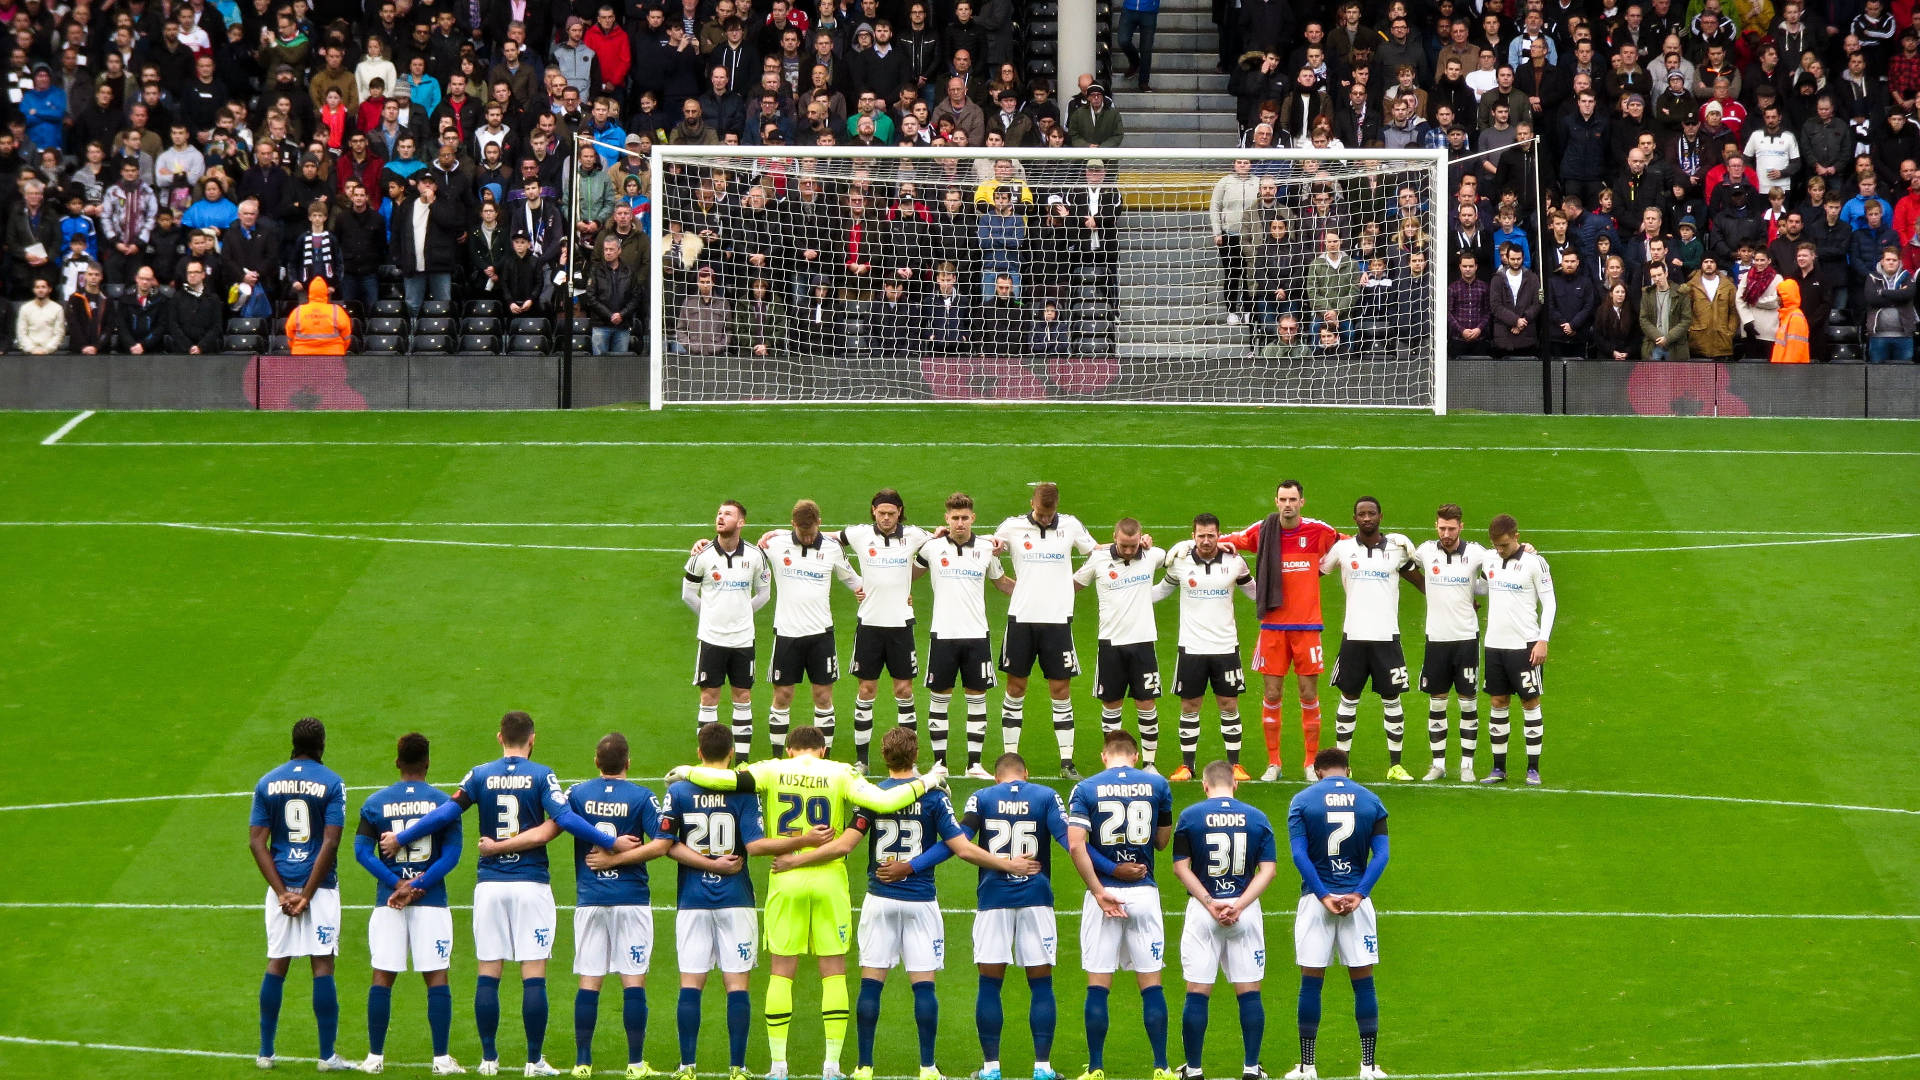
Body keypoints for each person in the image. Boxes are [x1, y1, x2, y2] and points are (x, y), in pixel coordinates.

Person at [665, 728, 951, 1080]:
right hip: (829, 878)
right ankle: (832, 1067)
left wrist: (687, 771)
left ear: (788, 750)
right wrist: (928, 781)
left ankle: (778, 1067)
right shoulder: (840, 772)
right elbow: (884, 802)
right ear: (824, 749)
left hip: (785, 876)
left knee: (781, 973)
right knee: (833, 973)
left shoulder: (770, 769)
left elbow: (725, 780)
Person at [381, 711, 623, 1076]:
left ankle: (489, 1060)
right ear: (532, 739)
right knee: (534, 974)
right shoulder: (543, 775)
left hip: (490, 885)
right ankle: (533, 1060)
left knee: (488, 972)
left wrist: (402, 836)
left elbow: (446, 813)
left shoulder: (479, 774)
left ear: (499, 738)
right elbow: (567, 819)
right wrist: (610, 841)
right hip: (530, 884)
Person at [479, 733, 672, 1079]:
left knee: (589, 981)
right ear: (629, 762)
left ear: (596, 762)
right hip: (631, 900)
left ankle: (582, 1063)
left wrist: (497, 846)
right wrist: (619, 857)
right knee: (633, 982)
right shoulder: (643, 798)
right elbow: (662, 844)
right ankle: (635, 1064)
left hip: (589, 901)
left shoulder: (577, 794)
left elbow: (549, 829)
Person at [847, 728, 1034, 1080]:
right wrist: (1008, 864)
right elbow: (959, 846)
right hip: (919, 900)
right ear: (915, 753)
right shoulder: (933, 796)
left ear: (884, 756)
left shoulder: (871, 795)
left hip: (879, 898)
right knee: (924, 986)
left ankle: (863, 1066)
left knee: (871, 983)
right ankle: (928, 1067)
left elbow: (849, 842)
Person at [639, 723, 810, 1080]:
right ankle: (738, 1067)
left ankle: (687, 1067)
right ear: (731, 753)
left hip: (693, 899)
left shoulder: (680, 790)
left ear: (699, 753)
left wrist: (705, 864)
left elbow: (666, 844)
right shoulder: (744, 792)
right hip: (736, 899)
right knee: (737, 985)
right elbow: (754, 844)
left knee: (691, 982)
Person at [351, 732, 465, 1076]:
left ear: (398, 761)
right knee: (437, 976)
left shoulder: (375, 803)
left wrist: (397, 884)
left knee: (382, 975)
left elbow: (360, 852)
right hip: (431, 902)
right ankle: (442, 1059)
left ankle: (374, 1057)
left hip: (388, 902)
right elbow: (453, 855)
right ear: (428, 762)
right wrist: (418, 885)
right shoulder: (445, 804)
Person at [1065, 728, 1175, 1080]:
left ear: (1104, 755)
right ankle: (1161, 1067)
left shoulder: (1085, 788)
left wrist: (1099, 890)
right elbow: (1161, 841)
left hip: (1104, 895)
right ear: (1136, 755)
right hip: (1144, 891)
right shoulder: (1157, 785)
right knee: (1152, 984)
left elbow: (1076, 846)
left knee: (1098, 983)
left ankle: (1096, 1067)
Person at [1219, 482, 1343, 783]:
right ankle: (1273, 763)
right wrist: (1217, 544)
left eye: (1293, 499)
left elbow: (1349, 545)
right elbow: (1222, 541)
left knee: (1308, 694)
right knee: (1272, 693)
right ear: (1276, 501)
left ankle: (1311, 763)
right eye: (1283, 499)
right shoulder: (1263, 530)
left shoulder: (1318, 531)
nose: (1288, 504)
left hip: (1307, 627)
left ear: (1302, 501)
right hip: (1273, 626)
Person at [248, 717, 349, 1072]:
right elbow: (331, 842)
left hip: (280, 888)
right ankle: (326, 1057)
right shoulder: (332, 783)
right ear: (322, 745)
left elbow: (257, 842)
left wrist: (281, 892)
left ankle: (265, 1052)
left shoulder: (267, 782)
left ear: (292, 743)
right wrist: (306, 894)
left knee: (278, 962)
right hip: (318, 891)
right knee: (322, 964)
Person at [1282, 747, 1390, 1080]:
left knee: (1310, 985)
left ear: (1317, 771)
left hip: (1316, 902)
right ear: (1349, 770)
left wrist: (1323, 894)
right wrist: (1358, 893)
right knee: (1364, 985)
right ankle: (1369, 1067)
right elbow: (1382, 855)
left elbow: (1299, 855)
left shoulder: (1302, 801)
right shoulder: (1371, 801)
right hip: (1357, 903)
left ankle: (1307, 1067)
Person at [1170, 761, 1279, 1080]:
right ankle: (1250, 1068)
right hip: (1245, 911)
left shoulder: (1190, 816)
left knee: (1197, 990)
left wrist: (1210, 903)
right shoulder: (1257, 817)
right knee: (1249, 990)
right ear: (1236, 784)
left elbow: (1180, 867)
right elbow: (1268, 870)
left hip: (1204, 911)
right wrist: (1240, 904)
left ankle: (1193, 1069)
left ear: (1204, 786)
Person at [993, 482, 1097, 777]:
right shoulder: (1012, 527)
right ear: (1032, 504)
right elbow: (987, 548)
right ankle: (1009, 758)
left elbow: (1098, 553)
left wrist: (1075, 582)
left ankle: (1066, 762)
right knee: (1015, 688)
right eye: (1041, 513)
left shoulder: (1071, 525)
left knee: (1061, 690)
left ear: (1057, 508)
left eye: (1050, 514)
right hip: (1021, 619)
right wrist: (1002, 579)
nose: (1046, 519)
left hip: (1057, 620)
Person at [1320, 497, 1424, 781]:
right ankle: (1343, 766)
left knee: (1392, 699)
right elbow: (1313, 572)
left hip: (1386, 637)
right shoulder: (1342, 549)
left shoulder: (1397, 550)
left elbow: (1421, 581)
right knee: (1348, 698)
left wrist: (1461, 601)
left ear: (1380, 515)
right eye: (1361, 514)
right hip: (1353, 636)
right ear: (1354, 518)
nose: (1367, 518)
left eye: (1371, 513)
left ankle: (1396, 765)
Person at [914, 492, 1016, 775]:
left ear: (973, 518)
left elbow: (1002, 583)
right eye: (955, 518)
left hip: (976, 635)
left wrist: (1035, 594)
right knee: (940, 698)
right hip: (943, 635)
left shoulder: (986, 548)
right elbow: (909, 574)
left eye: (965, 518)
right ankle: (939, 764)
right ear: (946, 518)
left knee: (977, 698)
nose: (960, 523)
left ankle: (974, 764)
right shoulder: (932, 548)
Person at [1151, 514, 1256, 781]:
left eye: (1211, 535)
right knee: (1190, 705)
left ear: (1219, 535)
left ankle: (1235, 766)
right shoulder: (1180, 563)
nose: (1206, 541)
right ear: (1193, 535)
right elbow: (1162, 591)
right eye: (1201, 536)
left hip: (1226, 647)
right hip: (1191, 647)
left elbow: (1256, 593)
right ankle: (1187, 766)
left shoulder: (1235, 562)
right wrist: (1129, 597)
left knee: (1229, 703)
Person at [837, 491, 933, 772]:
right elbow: (825, 538)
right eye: (881, 513)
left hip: (901, 625)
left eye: (892, 513)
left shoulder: (914, 535)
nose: (887, 518)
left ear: (900, 512)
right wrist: (778, 534)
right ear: (873, 511)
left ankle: (909, 761)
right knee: (866, 690)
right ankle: (862, 760)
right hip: (869, 625)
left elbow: (942, 543)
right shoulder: (859, 534)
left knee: (904, 691)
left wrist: (908, 580)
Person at [1073, 518, 1168, 769]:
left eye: (1134, 545)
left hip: (1143, 643)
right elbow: (1073, 585)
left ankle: (1149, 764)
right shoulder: (1099, 559)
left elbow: (1177, 557)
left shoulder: (1152, 555)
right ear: (1114, 536)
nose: (1129, 550)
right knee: (1111, 705)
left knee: (1146, 704)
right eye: (1124, 545)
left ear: (1141, 539)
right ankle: (1114, 763)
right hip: (1111, 644)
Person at [683, 501, 773, 759]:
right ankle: (708, 759)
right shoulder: (702, 556)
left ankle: (742, 760)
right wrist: (710, 616)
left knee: (743, 696)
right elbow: (688, 594)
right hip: (711, 639)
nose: (720, 517)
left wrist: (742, 614)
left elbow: (764, 594)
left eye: (728, 514)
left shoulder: (756, 556)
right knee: (709, 697)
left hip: (743, 639)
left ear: (741, 522)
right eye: (719, 513)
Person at [1477, 515, 1556, 785]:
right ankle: (1498, 769)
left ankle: (1533, 769)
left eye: (1505, 545)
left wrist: (1542, 640)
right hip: (1494, 645)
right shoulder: (1489, 559)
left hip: (1525, 645)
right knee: (1498, 703)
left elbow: (1550, 603)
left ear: (1516, 536)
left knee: (1530, 703)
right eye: (1496, 545)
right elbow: (1482, 587)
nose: (1500, 549)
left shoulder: (1535, 563)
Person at [1413, 505, 1487, 782]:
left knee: (1468, 702)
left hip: (1466, 638)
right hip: (1436, 639)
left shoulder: (1477, 553)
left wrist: (1526, 548)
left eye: (1451, 529)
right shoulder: (1425, 552)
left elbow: (1499, 567)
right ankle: (1438, 764)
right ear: (1436, 526)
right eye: (1442, 528)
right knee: (1438, 702)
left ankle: (1467, 765)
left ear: (1461, 527)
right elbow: (1401, 557)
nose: (1446, 534)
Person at [584, 234, 643, 355]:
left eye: (611, 249)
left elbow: (636, 297)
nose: (608, 252)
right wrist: (610, 315)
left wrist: (622, 315)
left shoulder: (629, 271)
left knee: (620, 367)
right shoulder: (595, 270)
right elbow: (590, 297)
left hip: (622, 325)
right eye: (606, 249)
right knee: (599, 365)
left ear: (619, 250)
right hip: (600, 325)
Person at [1863, 245, 1918, 363]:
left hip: (1904, 336)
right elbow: (1872, 299)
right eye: (1888, 260)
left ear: (1899, 262)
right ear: (1882, 262)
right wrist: (1899, 295)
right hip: (1878, 336)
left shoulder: (1907, 276)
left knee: (1903, 376)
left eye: (1894, 260)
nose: (1891, 262)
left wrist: (1882, 292)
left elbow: (1908, 295)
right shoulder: (1872, 277)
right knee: (1878, 376)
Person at [1488, 242, 1542, 357]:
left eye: (1518, 259)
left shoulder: (1532, 278)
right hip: (1504, 337)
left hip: (1526, 337)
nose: (1516, 262)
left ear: (1523, 258)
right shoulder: (1497, 279)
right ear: (1507, 258)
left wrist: (1522, 321)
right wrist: (1515, 320)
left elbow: (1538, 303)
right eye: (1512, 259)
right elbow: (1495, 306)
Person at [168, 258, 226, 354]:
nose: (192, 275)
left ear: (203, 274)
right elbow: (173, 325)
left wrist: (201, 347)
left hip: (208, 353)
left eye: (196, 272)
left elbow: (217, 326)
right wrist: (188, 347)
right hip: (182, 353)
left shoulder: (213, 298)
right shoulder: (177, 297)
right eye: (189, 272)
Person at [1638, 260, 1692, 359]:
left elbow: (1686, 320)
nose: (1657, 278)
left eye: (1659, 274)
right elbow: (1643, 319)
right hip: (1654, 345)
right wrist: (1658, 337)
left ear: (1666, 273)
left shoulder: (1681, 293)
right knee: (1653, 374)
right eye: (1654, 276)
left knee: (1675, 374)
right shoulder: (1647, 294)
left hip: (1675, 346)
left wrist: (1667, 338)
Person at [285, 276, 351, 355]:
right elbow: (347, 336)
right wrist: (339, 349)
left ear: (310, 293)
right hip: (333, 355)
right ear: (326, 293)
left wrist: (297, 348)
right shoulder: (337, 310)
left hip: (302, 355)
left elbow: (289, 335)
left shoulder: (298, 311)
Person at [112, 266, 169, 354]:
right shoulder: (125, 299)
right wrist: (132, 345)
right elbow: (122, 326)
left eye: (148, 279)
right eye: (142, 278)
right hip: (127, 350)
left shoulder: (160, 300)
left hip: (152, 351)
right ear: (136, 278)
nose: (145, 282)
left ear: (152, 281)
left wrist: (143, 345)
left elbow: (160, 327)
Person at [13, 276, 65, 354]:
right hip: (28, 353)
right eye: (37, 287)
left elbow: (59, 333)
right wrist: (32, 349)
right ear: (33, 290)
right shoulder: (25, 308)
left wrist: (47, 349)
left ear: (49, 289)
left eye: (43, 287)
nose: (40, 290)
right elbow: (21, 332)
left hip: (51, 353)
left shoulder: (57, 309)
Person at [1769, 276, 1811, 364]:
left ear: (1786, 297)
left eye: (1779, 295)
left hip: (1789, 371)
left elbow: (1794, 351)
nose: (1777, 299)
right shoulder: (1788, 316)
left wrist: (1788, 373)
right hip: (1783, 369)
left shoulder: (1795, 318)